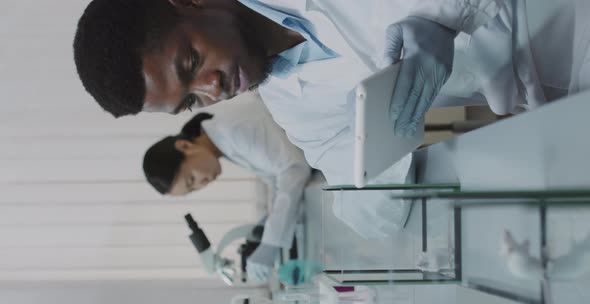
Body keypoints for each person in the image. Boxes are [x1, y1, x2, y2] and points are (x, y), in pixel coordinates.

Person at [74, 0, 590, 185]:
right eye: (191, 101)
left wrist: (456, 12)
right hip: (560, 109)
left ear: (190, 1)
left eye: (191, 63)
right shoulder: (295, 109)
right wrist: (379, 139)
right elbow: (362, 195)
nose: (212, 89)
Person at [142, 93, 311, 282]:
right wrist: (271, 219)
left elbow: (294, 169)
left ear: (184, 146)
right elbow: (275, 178)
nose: (201, 185)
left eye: (191, 179)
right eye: (193, 189)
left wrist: (271, 243)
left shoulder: (234, 131)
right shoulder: (222, 142)